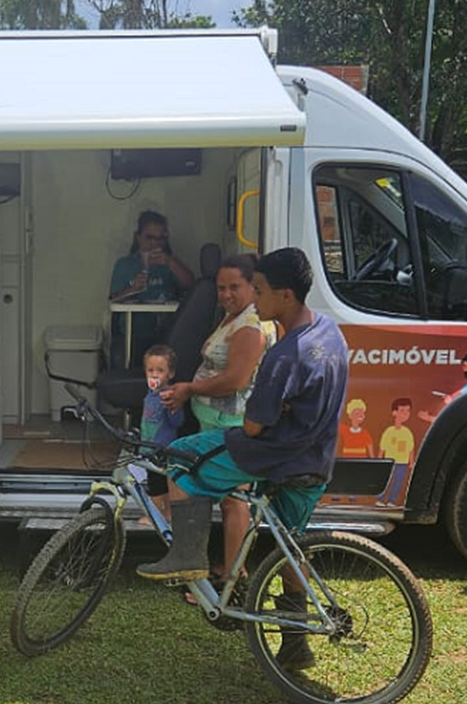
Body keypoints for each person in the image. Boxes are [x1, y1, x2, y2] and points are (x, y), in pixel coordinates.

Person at [137, 248, 347, 672]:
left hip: (273, 456)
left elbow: (252, 427)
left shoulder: (285, 355)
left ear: (285, 295)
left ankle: (188, 555)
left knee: (181, 459)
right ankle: (294, 642)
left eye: (261, 291)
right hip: (315, 460)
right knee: (290, 545)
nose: (255, 299)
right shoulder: (329, 332)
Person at [158, 254, 276, 588]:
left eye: (234, 287)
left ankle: (229, 575)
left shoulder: (250, 327)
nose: (225, 294)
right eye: (221, 288)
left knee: (232, 499)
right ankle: (227, 570)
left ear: (253, 286)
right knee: (228, 498)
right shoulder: (234, 317)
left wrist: (188, 389)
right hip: (218, 420)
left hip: (232, 424)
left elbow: (235, 380)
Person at [107, 210, 195, 367]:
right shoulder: (125, 264)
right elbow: (114, 299)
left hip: (166, 333)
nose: (155, 244)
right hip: (134, 334)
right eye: (149, 238)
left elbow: (191, 285)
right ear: (138, 237)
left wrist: (170, 262)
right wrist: (133, 289)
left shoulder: (170, 264)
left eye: (160, 239)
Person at [132, 344, 185, 526]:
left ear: (170, 374)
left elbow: (178, 422)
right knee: (158, 481)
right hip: (149, 446)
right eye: (150, 370)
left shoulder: (169, 395)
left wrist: (172, 408)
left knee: (157, 484)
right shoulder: (150, 394)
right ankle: (166, 513)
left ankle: (156, 516)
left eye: (160, 371)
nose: (154, 375)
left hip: (162, 449)